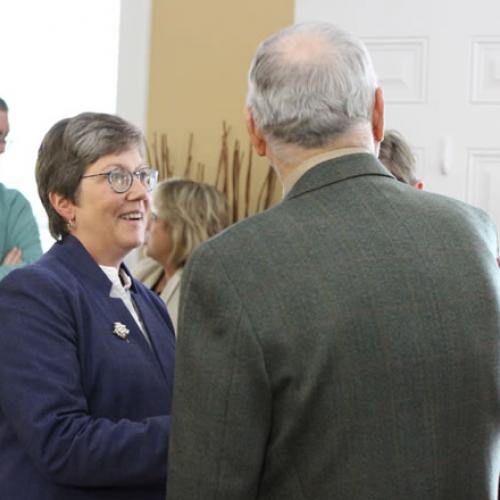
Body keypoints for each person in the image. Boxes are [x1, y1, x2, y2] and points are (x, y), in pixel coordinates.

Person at [166, 22, 500, 500]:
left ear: (255, 132)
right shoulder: (472, 233)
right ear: (378, 114)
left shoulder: (230, 267)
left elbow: (209, 484)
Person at [0, 112, 175, 500]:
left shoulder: (150, 302)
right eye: (117, 177)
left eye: (143, 176)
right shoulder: (34, 295)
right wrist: (194, 436)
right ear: (63, 202)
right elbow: (62, 443)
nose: (140, 193)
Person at [134, 178, 229, 332]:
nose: (145, 225)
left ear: (180, 226)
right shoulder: (146, 270)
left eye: (154, 217)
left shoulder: (205, 291)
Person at [0, 97, 43, 280]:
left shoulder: (14, 206)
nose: (2, 149)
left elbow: (34, 278)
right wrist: (7, 274)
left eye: (4, 138)